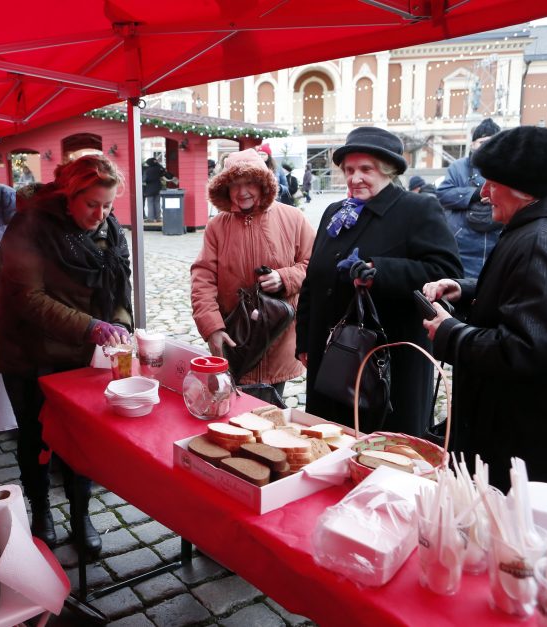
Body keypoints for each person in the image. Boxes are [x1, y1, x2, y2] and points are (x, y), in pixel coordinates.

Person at [422, 126, 547, 508]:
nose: (482, 194)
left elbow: (524, 348)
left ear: (523, 189)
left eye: (491, 184)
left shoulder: (543, 242)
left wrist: (449, 334)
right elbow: (535, 302)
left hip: (526, 443)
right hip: (543, 429)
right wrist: (468, 290)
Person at [0, 154, 132, 557]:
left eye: (108, 205)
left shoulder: (108, 228)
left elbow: (117, 285)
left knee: (78, 437)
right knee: (35, 436)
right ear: (68, 194)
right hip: (28, 352)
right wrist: (91, 326)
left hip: (80, 355)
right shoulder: (31, 226)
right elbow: (26, 298)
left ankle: (81, 513)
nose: (100, 214)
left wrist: (122, 327)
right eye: (91, 204)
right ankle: (41, 512)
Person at [295, 127, 462, 436]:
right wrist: (305, 340)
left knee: (383, 448)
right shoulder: (336, 212)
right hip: (331, 355)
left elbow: (445, 269)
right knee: (329, 437)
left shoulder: (416, 209)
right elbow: (313, 279)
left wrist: (380, 272)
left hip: (388, 358)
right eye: (349, 169)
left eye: (365, 169)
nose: (354, 177)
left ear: (387, 171)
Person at [191, 149, 314, 399]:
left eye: (249, 182)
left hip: (278, 341)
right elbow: (202, 280)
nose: (242, 191)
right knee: (233, 415)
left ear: (263, 183)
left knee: (269, 415)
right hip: (234, 339)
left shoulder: (294, 218)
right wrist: (212, 327)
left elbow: (315, 264)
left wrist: (285, 277)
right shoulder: (216, 227)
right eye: (234, 184)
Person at [436, 118, 503, 279]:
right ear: (473, 144)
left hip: (496, 241)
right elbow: (444, 194)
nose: (488, 146)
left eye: (493, 142)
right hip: (462, 243)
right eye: (483, 142)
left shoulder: (508, 167)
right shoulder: (458, 167)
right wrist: (475, 194)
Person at [142, 155, 172, 222]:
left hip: (149, 188)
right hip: (158, 187)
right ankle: (158, 218)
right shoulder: (159, 168)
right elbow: (164, 175)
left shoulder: (147, 170)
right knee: (157, 203)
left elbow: (144, 179)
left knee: (150, 204)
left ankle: (151, 219)